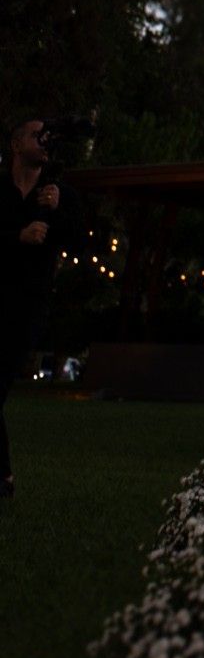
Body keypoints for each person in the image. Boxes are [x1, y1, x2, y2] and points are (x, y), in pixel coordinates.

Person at [1, 114, 73, 497]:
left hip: (26, 306)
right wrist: (18, 236)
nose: (43, 140)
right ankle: (4, 476)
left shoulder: (53, 194)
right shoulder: (1, 191)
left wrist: (58, 210)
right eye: (34, 134)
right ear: (15, 145)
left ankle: (3, 475)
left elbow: (75, 237)